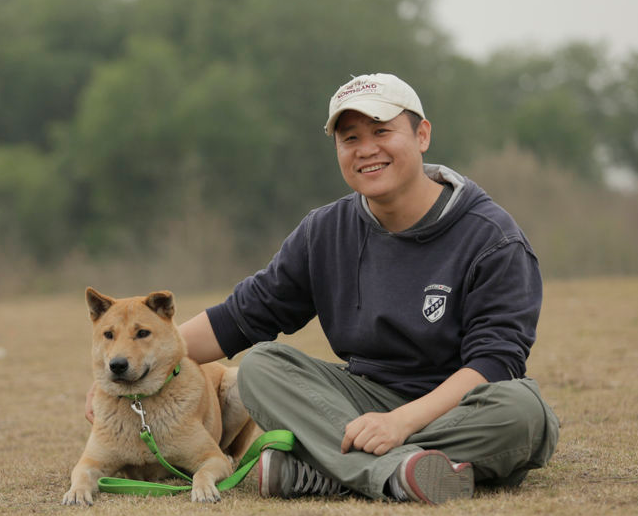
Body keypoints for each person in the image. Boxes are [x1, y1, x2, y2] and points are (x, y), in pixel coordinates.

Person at [89, 73, 560, 505]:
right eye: (350, 138)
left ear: (422, 135)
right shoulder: (325, 230)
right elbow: (240, 317)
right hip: (354, 404)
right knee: (261, 368)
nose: (366, 149)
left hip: (458, 406)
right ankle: (399, 473)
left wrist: (400, 424)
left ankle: (332, 472)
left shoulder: (491, 237)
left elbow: (495, 362)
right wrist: (119, 378)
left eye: (381, 132)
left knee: (523, 413)